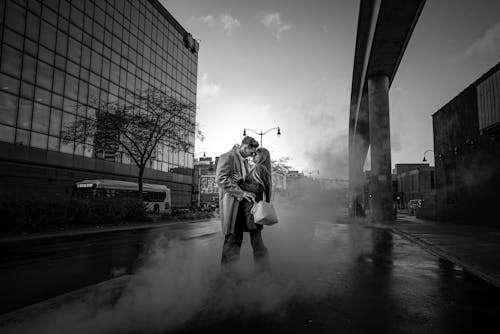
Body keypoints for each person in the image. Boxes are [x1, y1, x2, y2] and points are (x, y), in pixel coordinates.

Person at [215, 137, 270, 272]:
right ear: (245, 147)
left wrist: (244, 189)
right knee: (231, 240)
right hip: (232, 207)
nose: (252, 155)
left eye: (255, 154)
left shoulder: (245, 162)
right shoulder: (227, 157)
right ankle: (226, 277)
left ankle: (232, 276)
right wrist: (242, 193)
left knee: (237, 242)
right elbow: (220, 179)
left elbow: (252, 185)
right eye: (252, 152)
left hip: (243, 209)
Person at [235, 147, 272, 272]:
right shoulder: (263, 169)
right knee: (256, 241)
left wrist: (240, 183)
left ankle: (262, 270)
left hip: (251, 210)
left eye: (256, 154)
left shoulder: (259, 168)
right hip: (254, 209)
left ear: (262, 157)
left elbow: (257, 188)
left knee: (255, 242)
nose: (253, 156)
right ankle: (263, 269)